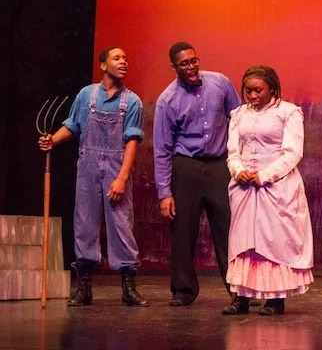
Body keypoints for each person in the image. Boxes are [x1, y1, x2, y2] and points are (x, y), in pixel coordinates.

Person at [38, 46, 147, 307]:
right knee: (84, 223)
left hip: (115, 166)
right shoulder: (87, 95)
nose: (123, 62)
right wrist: (53, 139)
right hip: (87, 166)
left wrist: (121, 177)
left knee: (121, 224)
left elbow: (132, 141)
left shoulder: (132, 101)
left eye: (126, 58)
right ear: (102, 65)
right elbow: (72, 125)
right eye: (117, 58)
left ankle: (128, 286)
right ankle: (84, 287)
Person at [153, 42, 241, 306]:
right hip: (186, 166)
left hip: (218, 164)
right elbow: (161, 149)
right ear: (174, 67)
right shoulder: (167, 100)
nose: (191, 67)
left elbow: (238, 120)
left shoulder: (220, 83)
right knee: (182, 230)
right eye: (184, 64)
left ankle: (239, 291)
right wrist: (164, 193)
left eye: (193, 61)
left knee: (229, 228)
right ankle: (183, 290)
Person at [222, 65, 314, 316]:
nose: (252, 95)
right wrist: (238, 170)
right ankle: (240, 297)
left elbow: (293, 152)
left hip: (277, 185)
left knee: (273, 242)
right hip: (244, 187)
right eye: (248, 90)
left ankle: (275, 300)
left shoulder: (288, 112)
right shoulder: (239, 114)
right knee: (244, 242)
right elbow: (233, 151)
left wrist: (263, 175)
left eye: (258, 90)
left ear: (272, 88)